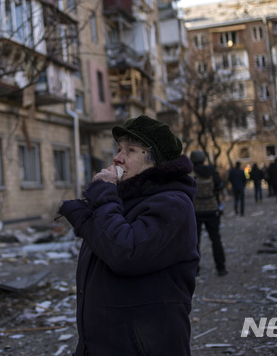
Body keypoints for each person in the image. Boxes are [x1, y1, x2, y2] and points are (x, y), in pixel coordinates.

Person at [58, 115, 198, 356]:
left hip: (145, 347)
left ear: (156, 163)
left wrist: (103, 196)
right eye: (119, 148)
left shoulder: (173, 205)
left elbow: (126, 252)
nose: (117, 157)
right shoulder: (123, 201)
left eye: (131, 150)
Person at [189, 150, 228, 277]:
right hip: (212, 209)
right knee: (216, 239)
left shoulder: (191, 174)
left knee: (195, 241)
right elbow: (220, 186)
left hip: (196, 211)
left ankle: (196, 269)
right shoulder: (212, 172)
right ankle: (221, 268)